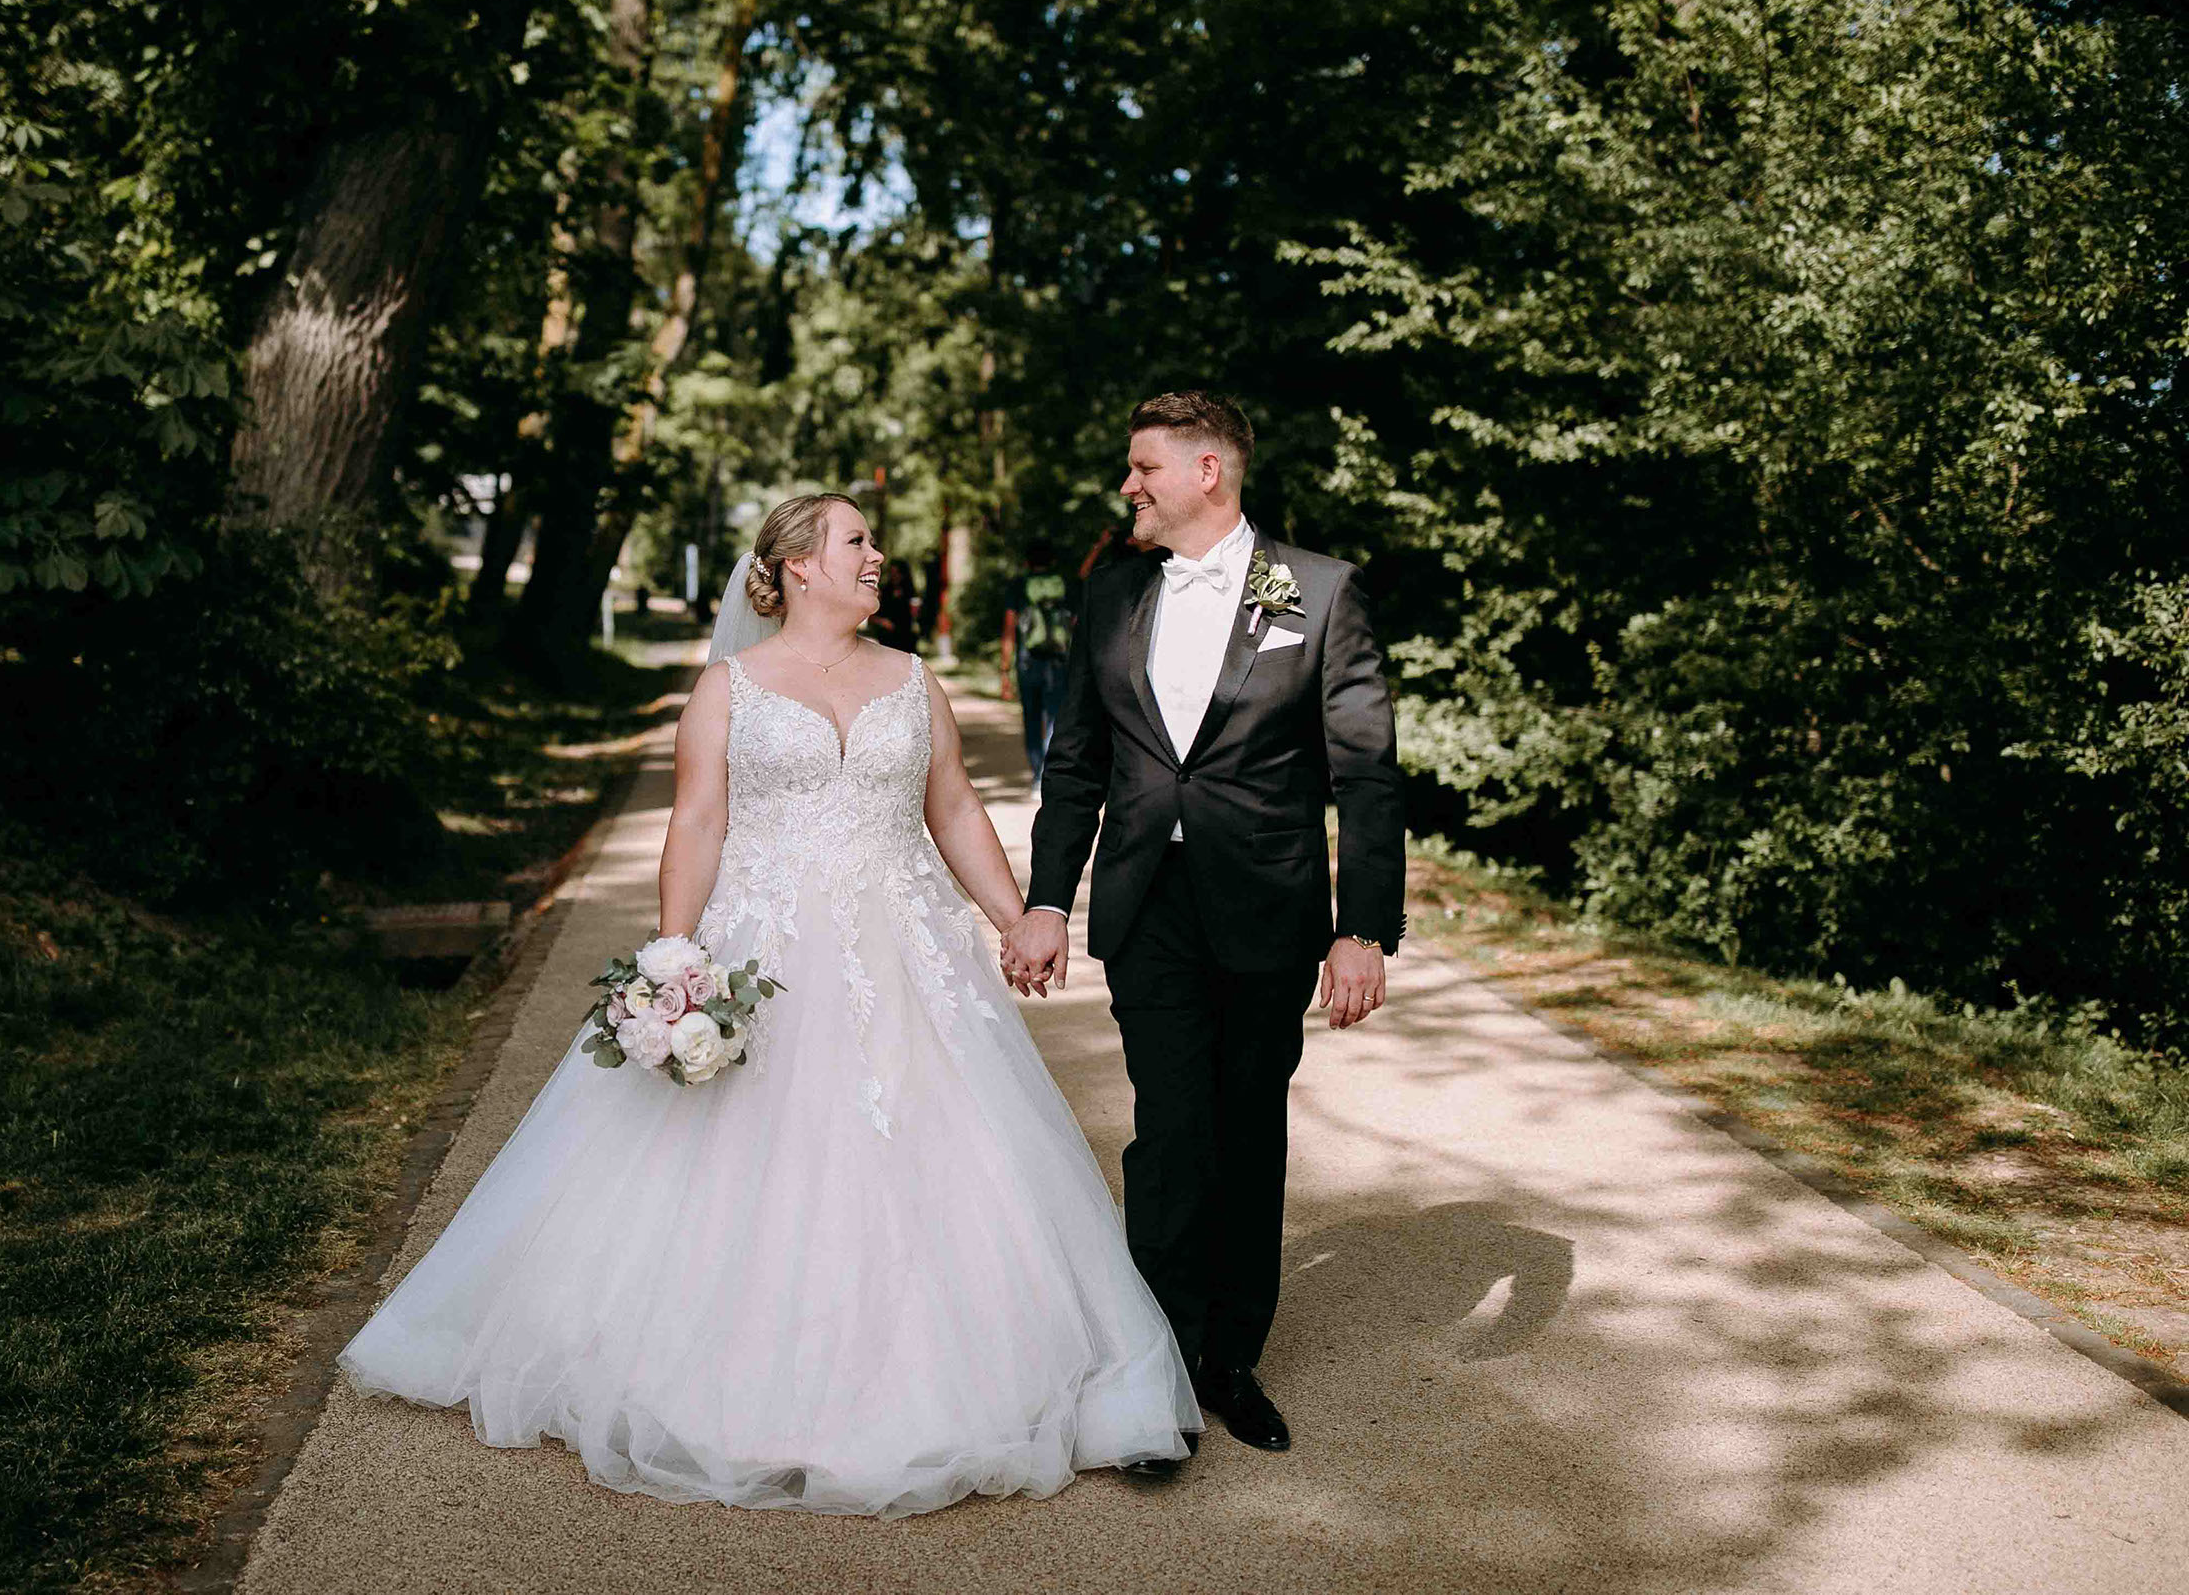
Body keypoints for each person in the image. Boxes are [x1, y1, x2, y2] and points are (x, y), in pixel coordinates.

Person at [335, 492, 1199, 1517]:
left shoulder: (912, 680)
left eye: (873, 539)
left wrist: (1015, 915)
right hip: (767, 951)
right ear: (797, 564)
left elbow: (955, 806)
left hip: (906, 953)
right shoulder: (727, 687)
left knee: (942, 1149)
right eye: (857, 540)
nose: (879, 554)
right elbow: (697, 820)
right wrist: (671, 951)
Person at [1000, 390, 1407, 1477]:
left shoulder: (1318, 593)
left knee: (1245, 1130)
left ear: (1207, 471)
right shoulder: (1111, 590)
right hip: (1147, 905)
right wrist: (1047, 897)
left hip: (1268, 907)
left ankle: (1231, 1359)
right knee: (1170, 1133)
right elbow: (1075, 758)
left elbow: (1365, 774)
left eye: (1142, 467)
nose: (1126, 486)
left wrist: (1361, 925)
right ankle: (1156, 1374)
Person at [998, 540, 1077, 789]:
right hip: (1058, 662)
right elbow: (1074, 624)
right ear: (1052, 560)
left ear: (1027, 562)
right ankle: (1050, 774)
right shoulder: (1063, 585)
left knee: (1031, 718)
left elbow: (1009, 627)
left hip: (1028, 663)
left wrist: (1004, 670)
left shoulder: (1019, 586)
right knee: (1054, 718)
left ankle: (1037, 776)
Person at [870, 557, 920, 651]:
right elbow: (872, 616)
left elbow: (915, 614)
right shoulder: (884, 590)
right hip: (888, 637)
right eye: (892, 573)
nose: (894, 576)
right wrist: (883, 622)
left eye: (897, 573)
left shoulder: (909, 591)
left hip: (906, 636)